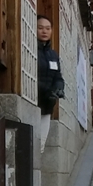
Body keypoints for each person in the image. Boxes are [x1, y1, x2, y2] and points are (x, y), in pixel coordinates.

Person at [36, 15, 66, 153]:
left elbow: (58, 76)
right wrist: (47, 89)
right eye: (40, 28)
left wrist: (59, 88)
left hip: (47, 106)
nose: (44, 31)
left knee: (40, 145)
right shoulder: (30, 50)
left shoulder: (53, 55)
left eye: (48, 28)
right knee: (29, 145)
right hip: (33, 102)